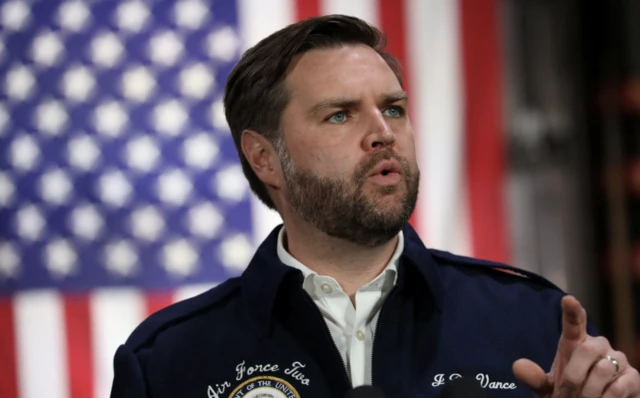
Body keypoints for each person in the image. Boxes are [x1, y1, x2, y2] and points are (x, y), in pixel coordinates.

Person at [110, 14, 640, 398]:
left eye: (394, 109)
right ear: (265, 158)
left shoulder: (533, 318)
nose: (383, 134)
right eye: (340, 115)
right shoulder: (167, 362)